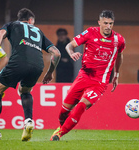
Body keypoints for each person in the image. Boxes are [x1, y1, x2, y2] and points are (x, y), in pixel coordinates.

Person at [0, 8, 60, 142]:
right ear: (31, 20)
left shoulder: (12, 25)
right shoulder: (38, 31)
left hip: (18, 62)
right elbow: (57, 53)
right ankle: (28, 120)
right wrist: (49, 72)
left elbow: (0, 34)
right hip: (38, 66)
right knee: (25, 90)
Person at [50, 10, 125, 141]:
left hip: (100, 82)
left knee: (81, 106)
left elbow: (119, 55)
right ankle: (62, 127)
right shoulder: (90, 32)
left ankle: (59, 134)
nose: (108, 26)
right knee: (63, 111)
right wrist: (71, 52)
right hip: (83, 77)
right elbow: (69, 45)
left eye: (111, 23)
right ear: (99, 22)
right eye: (105, 23)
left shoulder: (119, 40)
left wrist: (116, 74)